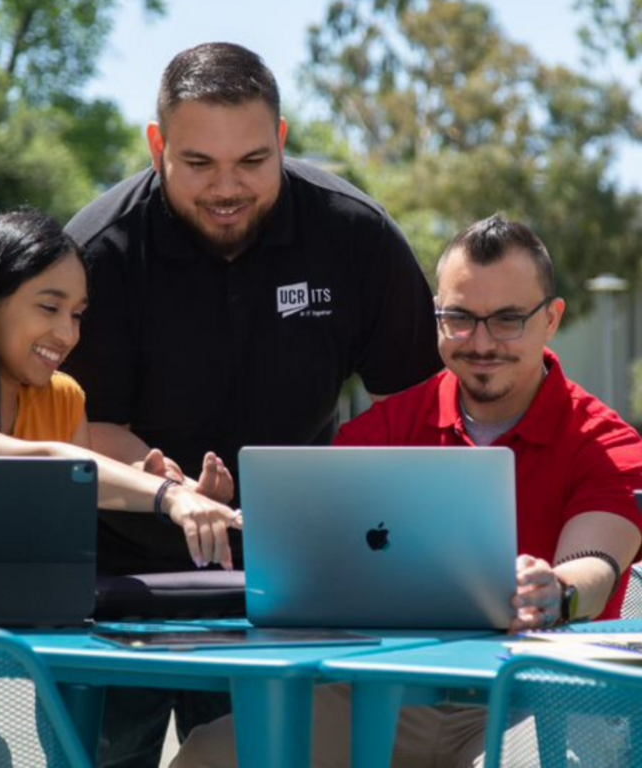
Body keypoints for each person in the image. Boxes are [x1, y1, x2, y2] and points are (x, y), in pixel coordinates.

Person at [62, 41, 443, 767]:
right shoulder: (99, 253)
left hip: (288, 582)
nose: (225, 188)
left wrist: (347, 511)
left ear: (282, 140)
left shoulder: (354, 235)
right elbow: (77, 426)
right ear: (157, 146)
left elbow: (419, 408)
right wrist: (165, 492)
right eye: (198, 163)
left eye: (252, 162)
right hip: (114, 584)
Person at [171, 214, 642, 768]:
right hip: (383, 691)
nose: (482, 342)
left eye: (508, 320)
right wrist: (229, 516)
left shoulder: (607, 440)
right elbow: (312, 559)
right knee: (210, 755)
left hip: (535, 695)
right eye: (460, 318)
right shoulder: (383, 430)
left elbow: (597, 562)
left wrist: (555, 591)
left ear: (551, 320)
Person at [0, 209, 242, 567]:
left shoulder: (63, 398)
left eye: (77, 314)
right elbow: (41, 465)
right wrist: (168, 497)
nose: (68, 335)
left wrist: (186, 497)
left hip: (35, 622)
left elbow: (68, 530)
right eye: (49, 307)